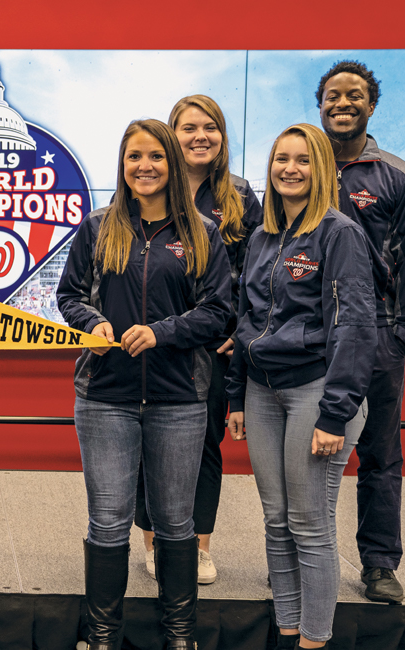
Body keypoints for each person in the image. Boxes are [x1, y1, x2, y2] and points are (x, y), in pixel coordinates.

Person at [57, 119, 232, 650]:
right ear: (123, 164)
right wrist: (92, 323)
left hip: (179, 398)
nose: (145, 166)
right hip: (105, 396)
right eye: (134, 156)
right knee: (108, 520)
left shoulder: (201, 232)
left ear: (172, 164)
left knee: (176, 522)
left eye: (155, 156)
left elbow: (220, 312)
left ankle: (180, 635)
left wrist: (161, 333)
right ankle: (103, 635)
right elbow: (68, 297)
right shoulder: (98, 227)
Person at [226, 123, 378, 650]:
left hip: (318, 392)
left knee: (310, 525)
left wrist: (335, 414)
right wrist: (235, 395)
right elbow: (246, 319)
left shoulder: (339, 234)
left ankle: (314, 641)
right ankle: (287, 631)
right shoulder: (264, 237)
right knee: (276, 521)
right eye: (280, 159)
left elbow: (356, 327)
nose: (289, 168)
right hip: (262, 392)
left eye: (302, 160)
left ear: (321, 169)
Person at [315, 60, 405, 604]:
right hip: (311, 336)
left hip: (379, 336)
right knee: (307, 451)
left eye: (354, 95)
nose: (343, 103)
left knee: (381, 457)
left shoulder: (401, 177)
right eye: (333, 95)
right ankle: (305, 557)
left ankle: (380, 564)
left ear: (371, 104)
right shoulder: (300, 167)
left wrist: (400, 337)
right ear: (320, 103)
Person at [134, 95, 264, 584]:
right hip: (148, 343)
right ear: (171, 136)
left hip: (211, 345)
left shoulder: (241, 195)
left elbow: (260, 271)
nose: (200, 136)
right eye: (188, 128)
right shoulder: (146, 189)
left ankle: (199, 545)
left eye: (211, 127)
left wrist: (243, 329)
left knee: (206, 446)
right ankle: (150, 542)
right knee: (148, 444)